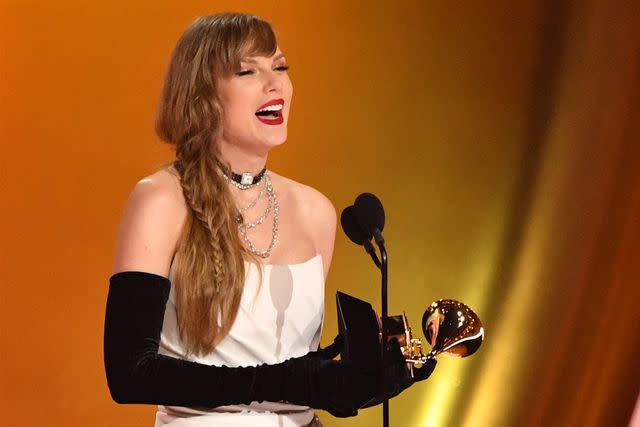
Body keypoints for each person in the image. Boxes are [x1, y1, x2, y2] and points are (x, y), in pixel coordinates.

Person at [103, 12, 436, 427]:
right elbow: (128, 374)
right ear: (201, 95)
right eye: (247, 71)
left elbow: (294, 370)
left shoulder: (316, 211)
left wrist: (355, 375)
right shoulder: (161, 200)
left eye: (280, 67)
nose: (275, 83)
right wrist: (291, 384)